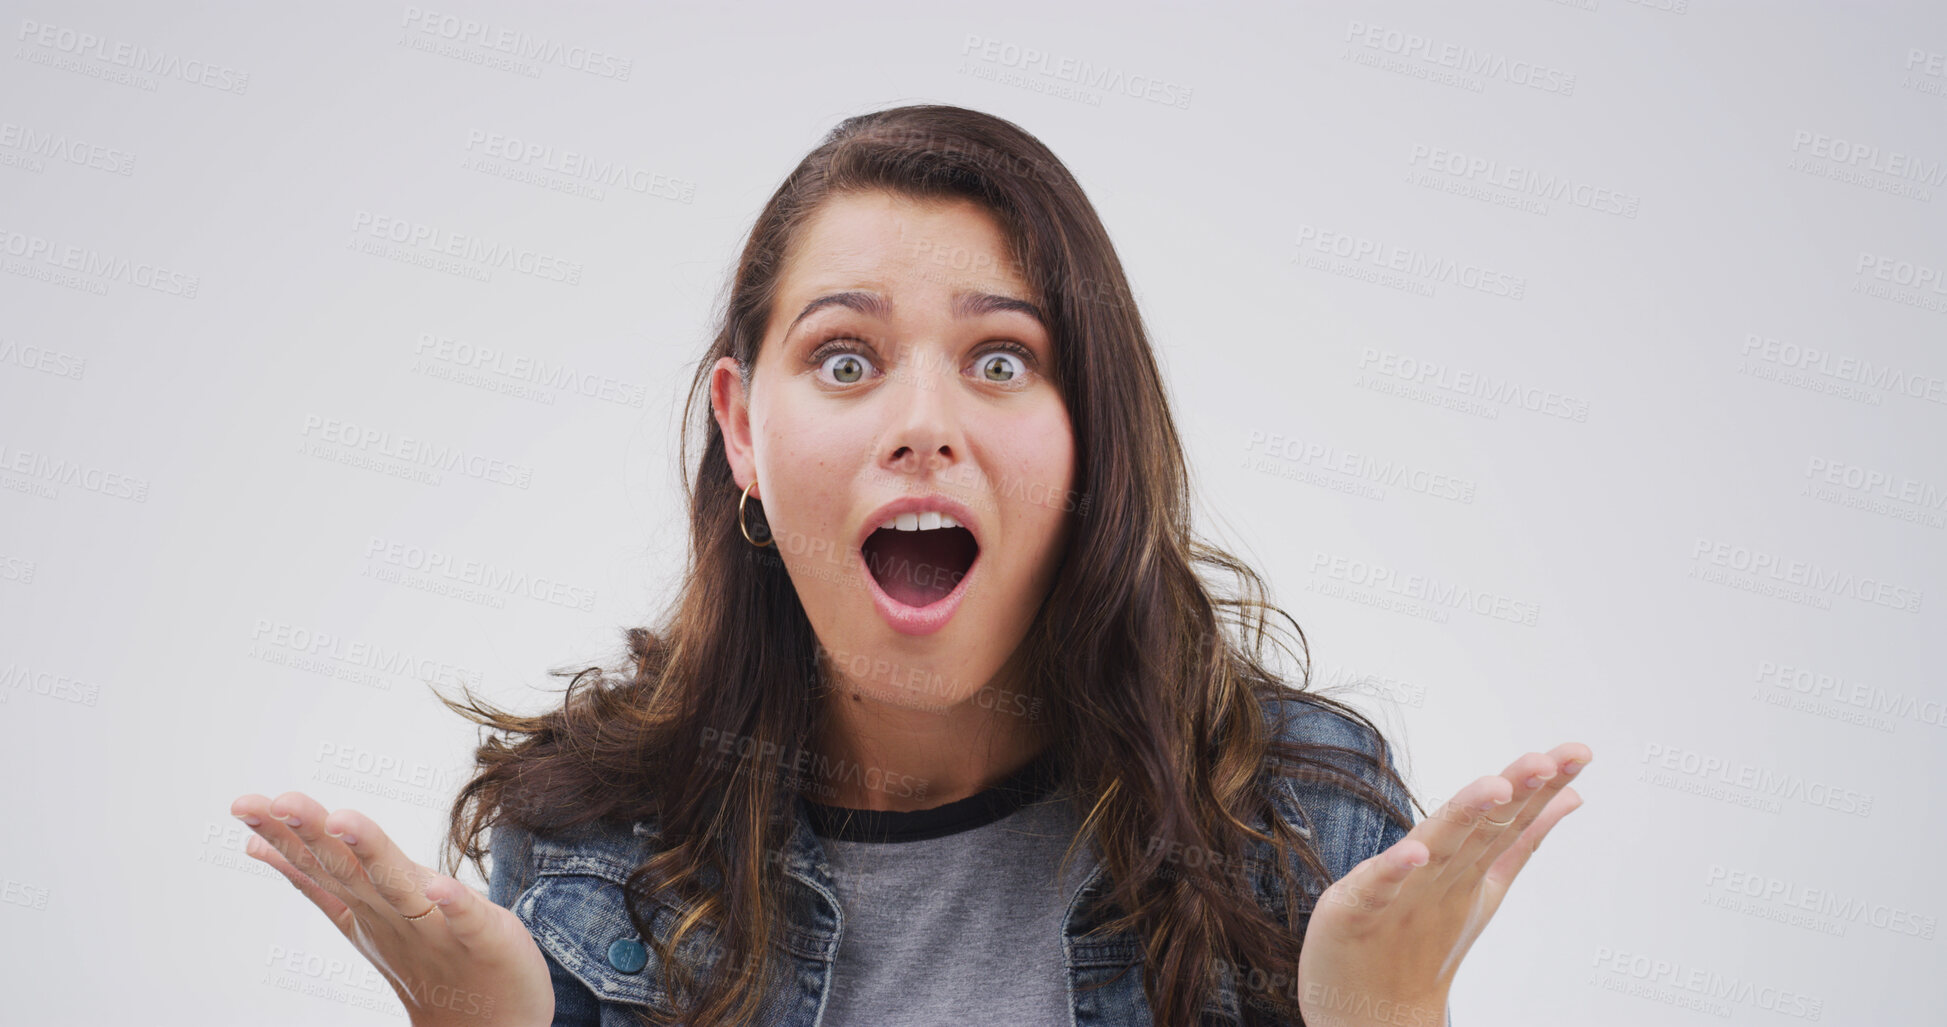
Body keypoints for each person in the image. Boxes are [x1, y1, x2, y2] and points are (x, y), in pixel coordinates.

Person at [230, 103, 1591, 1027]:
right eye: (845, 358)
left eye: (1002, 360)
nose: (924, 425)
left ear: (1090, 439)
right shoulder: (596, 849)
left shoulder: (1294, 830)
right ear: (743, 431)